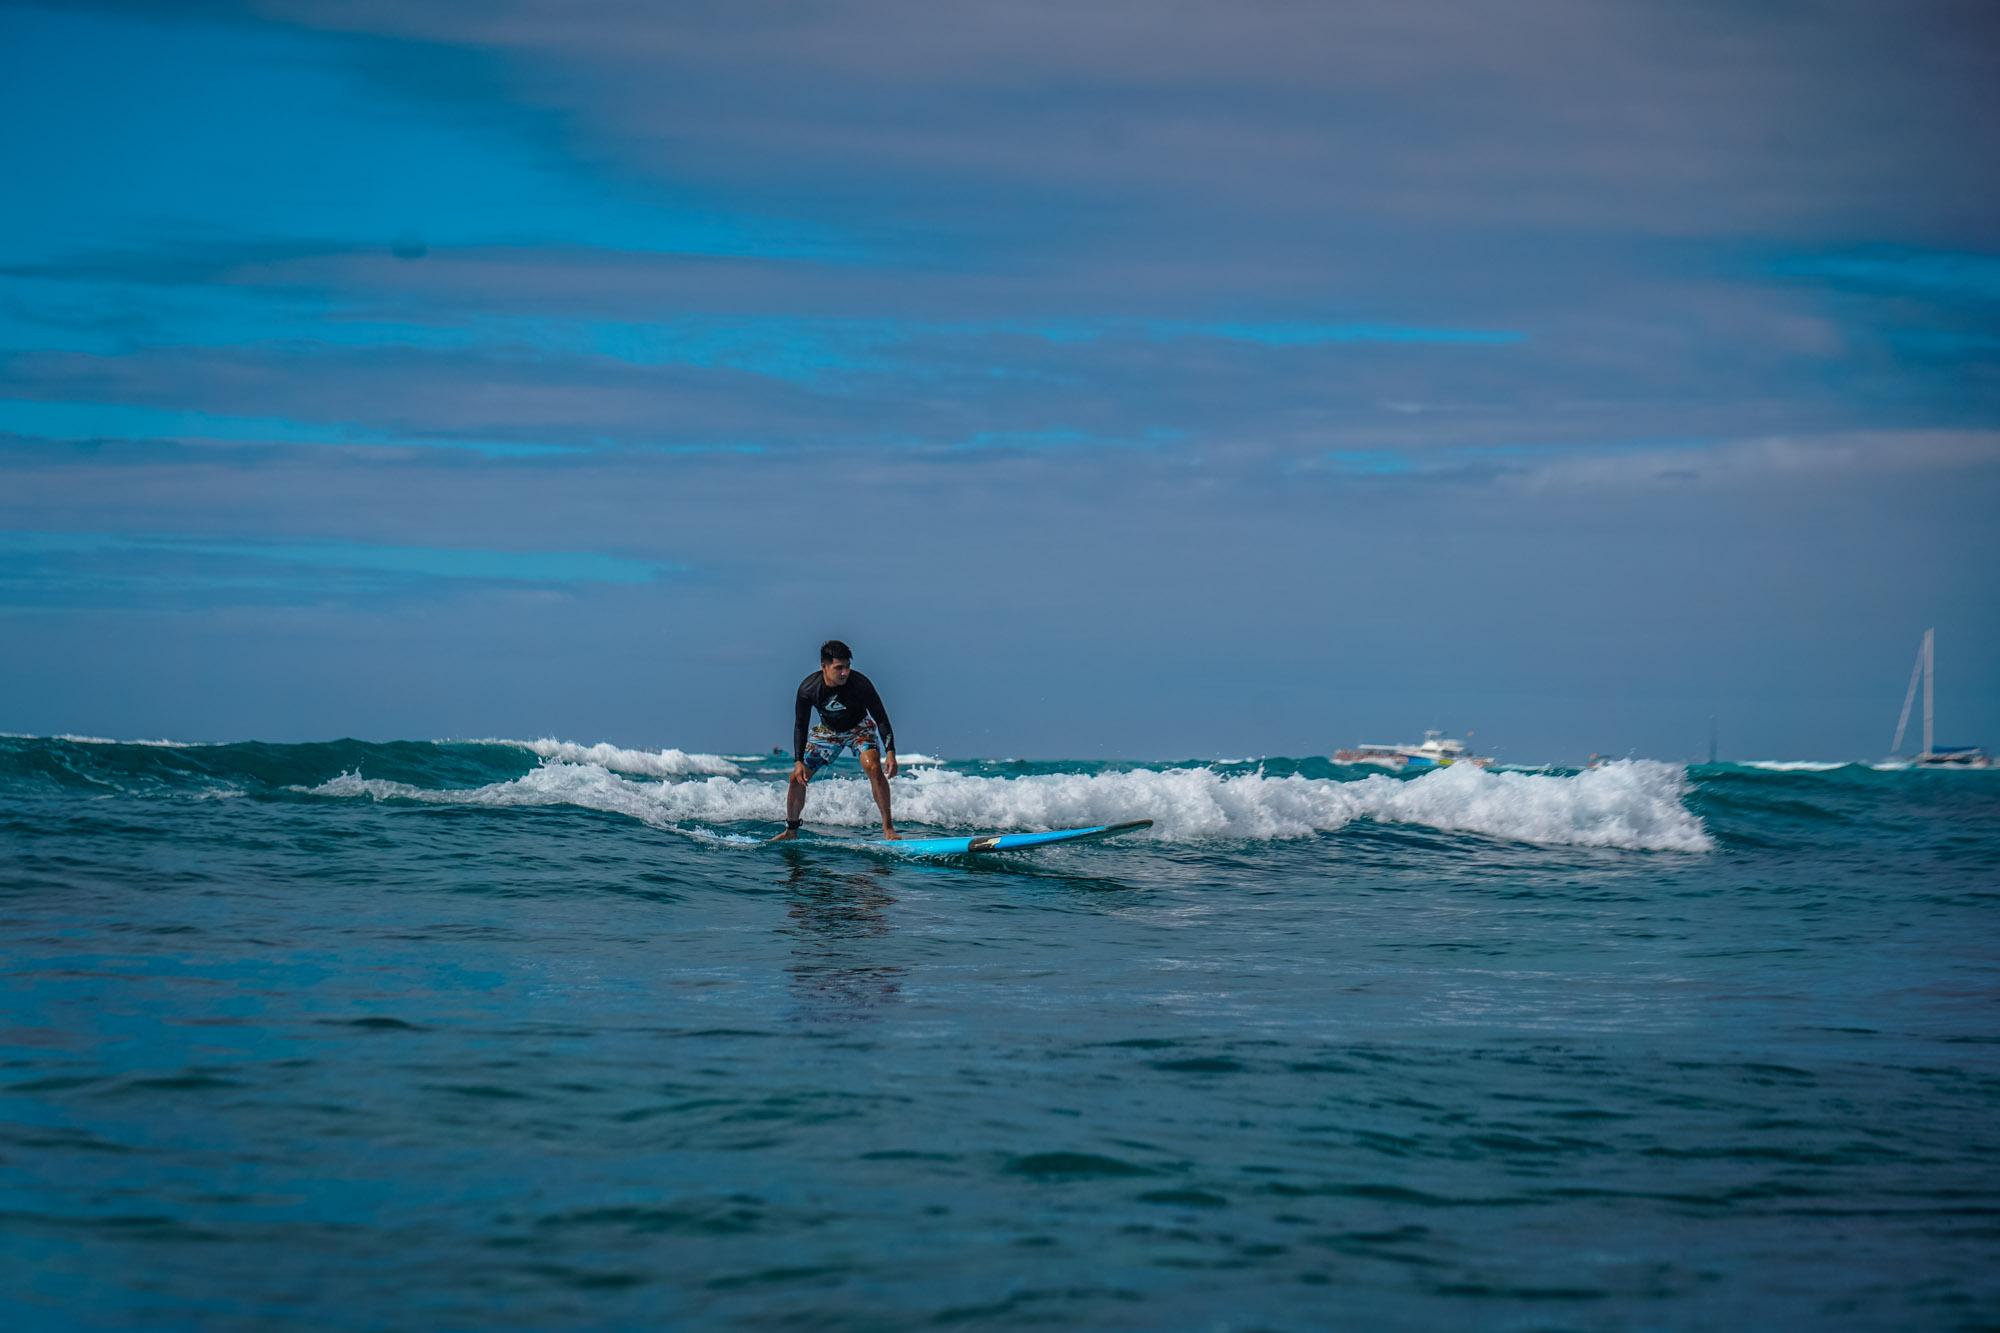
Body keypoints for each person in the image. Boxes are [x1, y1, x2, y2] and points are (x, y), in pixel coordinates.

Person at [772, 640, 899, 840]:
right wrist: (798, 762)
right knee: (796, 778)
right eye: (839, 668)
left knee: (873, 767)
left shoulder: (860, 684)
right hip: (828, 732)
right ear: (824, 666)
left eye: (847, 667)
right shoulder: (808, 689)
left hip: (860, 728)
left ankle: (888, 829)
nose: (845, 673)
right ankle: (791, 831)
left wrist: (890, 752)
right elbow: (800, 725)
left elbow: (881, 718)